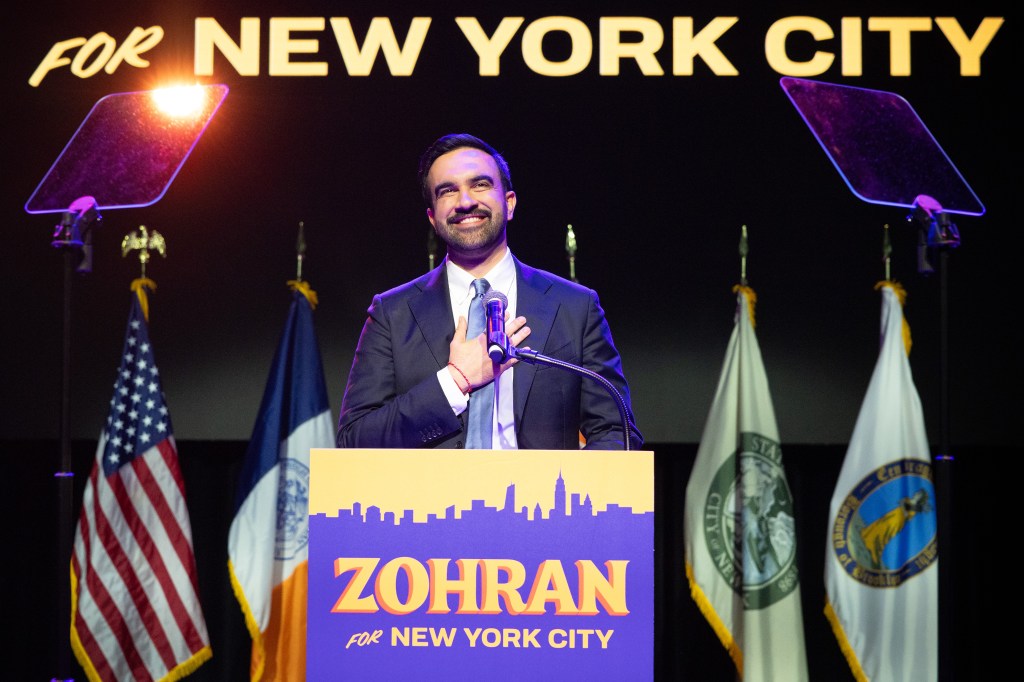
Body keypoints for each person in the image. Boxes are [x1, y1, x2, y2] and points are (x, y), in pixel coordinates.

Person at [336, 133, 641, 450]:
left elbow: (616, 432)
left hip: (540, 497)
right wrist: (455, 380)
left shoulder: (575, 307)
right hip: (431, 499)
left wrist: (568, 496)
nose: (465, 201)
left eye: (479, 184)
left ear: (509, 203)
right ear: (432, 218)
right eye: (447, 191)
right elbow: (354, 441)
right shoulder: (392, 314)